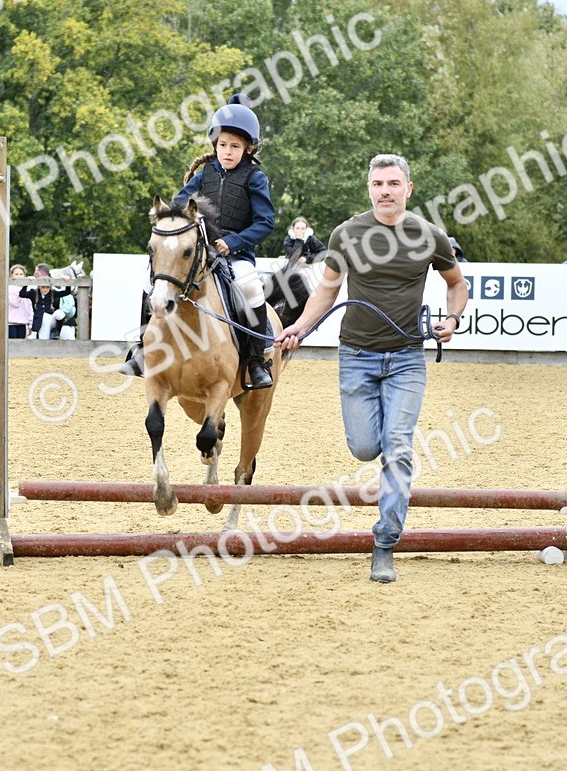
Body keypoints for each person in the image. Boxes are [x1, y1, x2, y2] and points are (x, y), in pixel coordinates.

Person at [275, 154, 468, 584]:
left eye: (393, 183)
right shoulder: (346, 234)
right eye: (378, 184)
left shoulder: (429, 235)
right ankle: (385, 471)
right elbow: (326, 292)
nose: (385, 191)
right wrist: (299, 328)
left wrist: (452, 319)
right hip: (356, 356)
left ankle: (385, 543)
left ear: (408, 189)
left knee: (397, 448)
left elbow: (457, 283)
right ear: (369, 189)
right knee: (364, 448)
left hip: (407, 358)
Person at [121, 93, 276, 389]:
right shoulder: (204, 175)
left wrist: (234, 242)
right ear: (215, 144)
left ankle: (257, 361)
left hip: (236, 255)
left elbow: (265, 222)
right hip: (200, 253)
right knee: (149, 281)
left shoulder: (255, 177)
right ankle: (142, 349)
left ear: (248, 148)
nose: (227, 151)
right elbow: (179, 205)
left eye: (235, 146)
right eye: (223, 145)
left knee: (251, 287)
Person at [20, 263, 63, 340]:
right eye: (43, 287)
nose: (45, 289)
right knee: (41, 336)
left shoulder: (53, 289)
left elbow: (65, 293)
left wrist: (66, 281)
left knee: (60, 314)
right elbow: (22, 294)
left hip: (52, 317)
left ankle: (57, 331)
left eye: (37, 273)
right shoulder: (34, 291)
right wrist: (26, 283)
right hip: (39, 320)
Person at [7, 264, 34, 339]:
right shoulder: (9, 288)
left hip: (23, 322)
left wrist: (30, 323)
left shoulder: (28, 288)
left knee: (21, 343)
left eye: (21, 274)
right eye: (16, 274)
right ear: (11, 275)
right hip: (11, 322)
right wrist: (22, 290)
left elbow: (30, 307)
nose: (19, 276)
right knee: (12, 343)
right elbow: (15, 303)